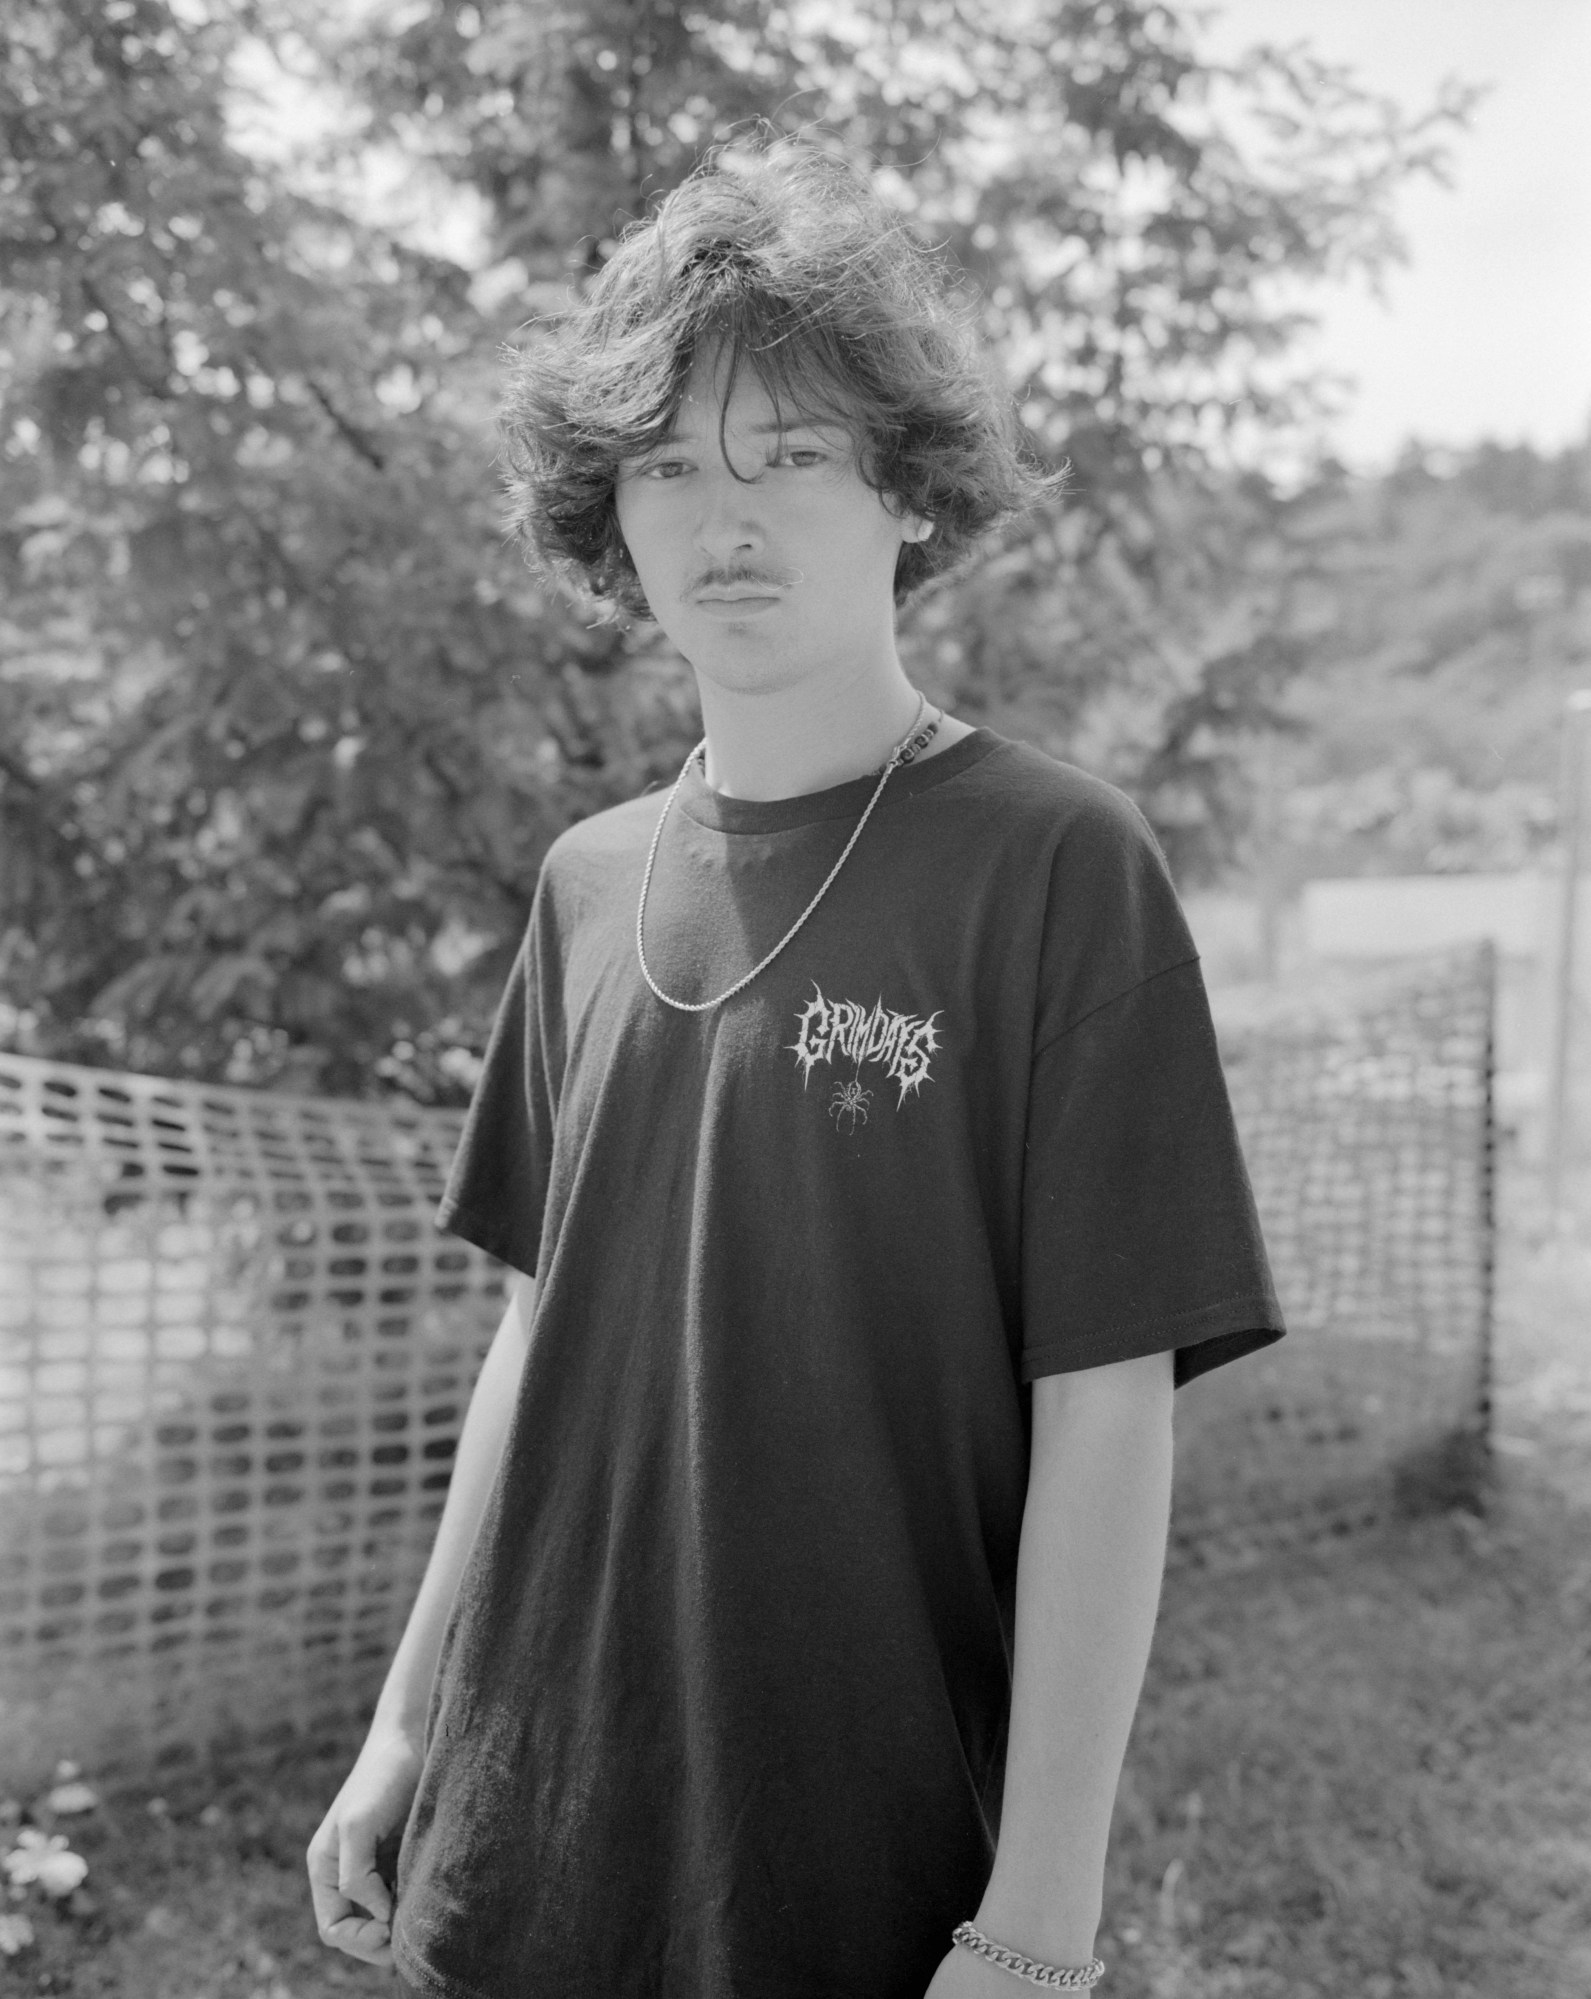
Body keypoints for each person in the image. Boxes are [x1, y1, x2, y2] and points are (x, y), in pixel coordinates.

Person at [307, 140, 1285, 1999]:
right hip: (525, 1831)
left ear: (911, 491)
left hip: (852, 1854)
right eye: (669, 467)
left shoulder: (1055, 866)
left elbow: (1109, 1410)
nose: (721, 518)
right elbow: (537, 1334)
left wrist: (1042, 1922)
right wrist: (408, 1723)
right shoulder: (587, 884)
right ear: (611, 518)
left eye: (792, 457)